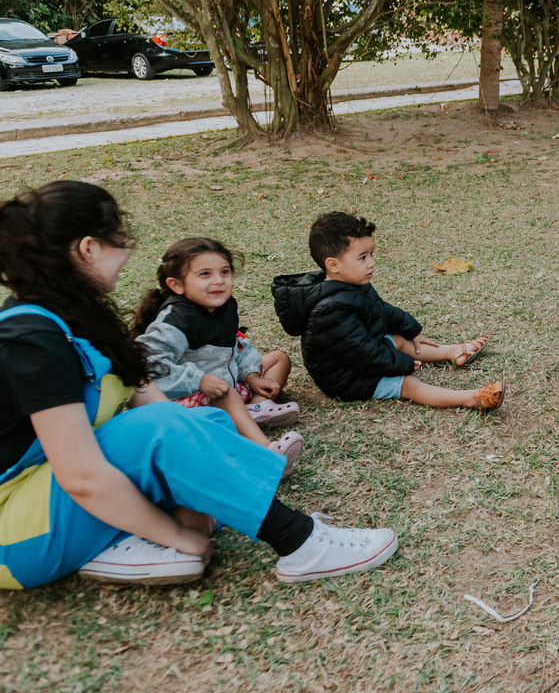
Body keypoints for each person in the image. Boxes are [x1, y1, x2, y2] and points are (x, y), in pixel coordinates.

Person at [0, 181, 398, 589]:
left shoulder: (74, 311)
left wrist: (194, 454)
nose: (126, 255)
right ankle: (300, 544)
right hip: (18, 533)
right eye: (120, 241)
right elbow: (82, 475)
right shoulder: (32, 340)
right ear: (88, 248)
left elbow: (141, 387)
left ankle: (137, 537)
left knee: (208, 422)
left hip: (55, 496)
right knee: (163, 427)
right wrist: (178, 536)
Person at [271, 212, 503, 409]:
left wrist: (412, 330)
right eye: (362, 257)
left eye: (371, 254)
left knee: (400, 340)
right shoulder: (330, 310)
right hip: (346, 378)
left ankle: (454, 352)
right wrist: (402, 364)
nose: (371, 262)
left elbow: (381, 310)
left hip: (358, 359)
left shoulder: (352, 283)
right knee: (409, 384)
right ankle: (472, 399)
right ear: (333, 264)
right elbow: (365, 354)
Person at [132, 238, 303, 477]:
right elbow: (146, 365)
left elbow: (236, 345)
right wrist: (198, 380)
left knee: (279, 358)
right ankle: (270, 457)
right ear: (177, 285)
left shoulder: (224, 307)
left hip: (226, 384)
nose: (218, 280)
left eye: (225, 272)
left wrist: (252, 376)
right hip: (189, 404)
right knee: (226, 393)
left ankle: (256, 408)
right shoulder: (176, 321)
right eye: (205, 274)